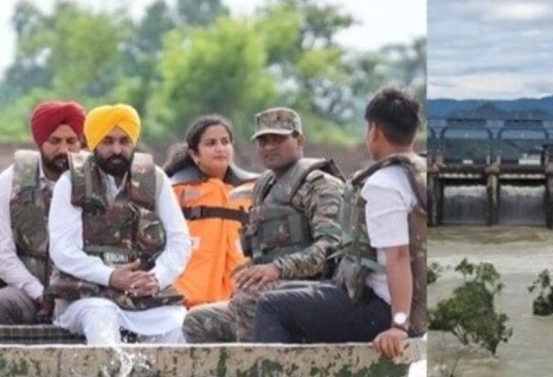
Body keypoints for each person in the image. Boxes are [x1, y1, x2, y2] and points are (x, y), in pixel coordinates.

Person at [252, 87, 427, 359]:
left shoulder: (383, 184)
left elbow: (399, 256)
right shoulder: (420, 173)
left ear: (374, 131)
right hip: (412, 304)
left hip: (383, 308)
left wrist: (398, 325)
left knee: (271, 305)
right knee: (288, 292)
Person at [182, 107, 346, 343]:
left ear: (299, 140)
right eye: (263, 140)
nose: (269, 146)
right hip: (273, 289)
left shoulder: (321, 185)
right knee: (197, 321)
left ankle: (260, 373)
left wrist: (277, 268)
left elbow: (331, 248)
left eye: (278, 139)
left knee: (252, 297)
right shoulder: (263, 187)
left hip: (317, 289)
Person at [46, 104, 191, 345]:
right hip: (84, 296)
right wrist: (111, 277)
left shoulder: (155, 178)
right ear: (93, 144)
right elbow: (63, 250)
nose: (117, 149)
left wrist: (156, 278)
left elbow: (179, 242)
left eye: (124, 141)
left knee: (178, 324)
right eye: (108, 141)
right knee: (101, 315)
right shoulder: (70, 181)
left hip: (144, 297)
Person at [0, 100, 86, 325]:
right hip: (28, 291)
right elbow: (3, 254)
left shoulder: (96, 182)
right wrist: (39, 293)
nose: (64, 149)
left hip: (86, 293)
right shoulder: (9, 183)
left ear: (81, 142)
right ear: (39, 142)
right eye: (54, 141)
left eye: (71, 141)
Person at [163, 114, 258, 308]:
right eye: (211, 143)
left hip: (239, 300)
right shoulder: (173, 190)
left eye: (225, 142)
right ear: (194, 154)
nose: (220, 148)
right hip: (184, 302)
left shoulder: (253, 189)